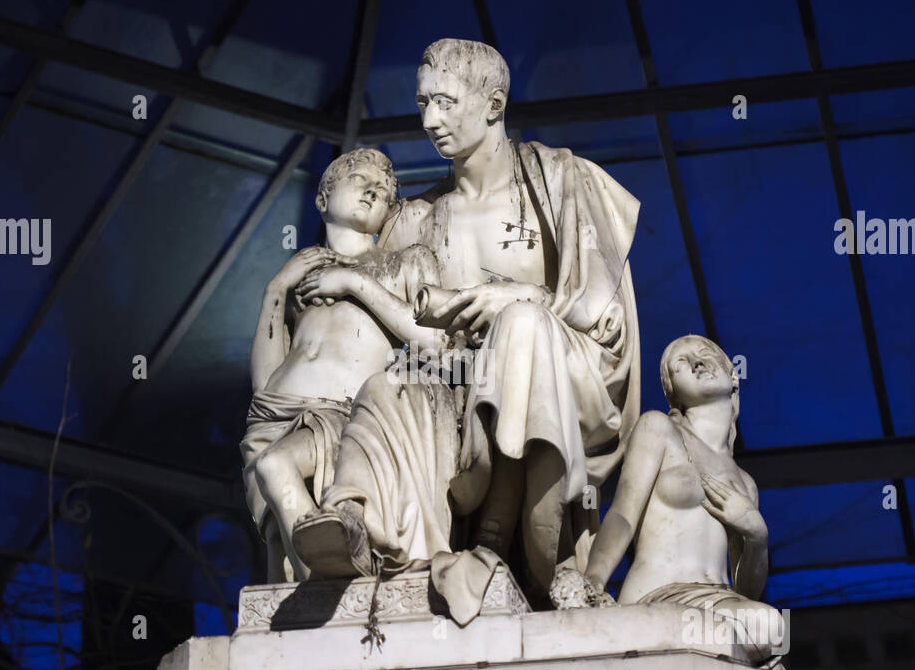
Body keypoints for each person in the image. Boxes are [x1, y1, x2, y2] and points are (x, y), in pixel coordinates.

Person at [292, 39, 642, 621]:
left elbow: (603, 317)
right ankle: (350, 519)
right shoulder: (415, 220)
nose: (430, 120)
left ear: (494, 103)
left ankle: (495, 542)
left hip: (562, 372)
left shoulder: (560, 179)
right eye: (423, 103)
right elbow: (391, 338)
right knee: (388, 383)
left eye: (446, 102)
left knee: (522, 328)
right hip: (454, 386)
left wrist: (518, 297)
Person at [241, 148, 440, 582]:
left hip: (343, 416)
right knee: (280, 567)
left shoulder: (406, 262)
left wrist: (354, 282)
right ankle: (323, 594)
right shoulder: (298, 279)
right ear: (322, 198)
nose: (374, 189)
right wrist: (276, 290)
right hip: (277, 417)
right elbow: (263, 390)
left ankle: (334, 578)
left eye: (384, 190)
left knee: (277, 467)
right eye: (360, 180)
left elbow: (434, 338)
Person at [553, 335, 784, 662]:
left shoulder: (745, 483)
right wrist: (593, 583)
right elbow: (622, 515)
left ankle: (671, 643)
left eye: (705, 354)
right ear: (672, 391)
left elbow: (747, 591)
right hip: (660, 595)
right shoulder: (658, 429)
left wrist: (756, 535)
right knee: (768, 625)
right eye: (681, 364)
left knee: (775, 628)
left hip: (719, 604)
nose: (697, 363)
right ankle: (641, 630)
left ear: (733, 375)